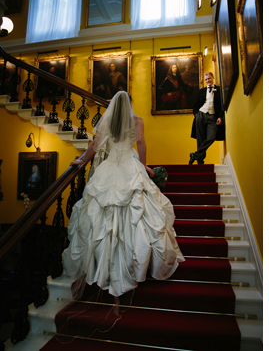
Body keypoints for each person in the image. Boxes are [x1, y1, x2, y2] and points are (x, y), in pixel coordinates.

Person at [64, 91, 184, 298]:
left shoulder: (108, 121)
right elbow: (141, 143)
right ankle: (137, 266)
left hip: (110, 167)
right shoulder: (137, 120)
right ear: (129, 104)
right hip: (129, 165)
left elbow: (95, 144)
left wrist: (82, 160)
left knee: (102, 213)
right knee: (139, 212)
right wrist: (144, 166)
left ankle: (101, 264)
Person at [190, 72, 225, 165]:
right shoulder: (201, 91)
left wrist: (220, 116)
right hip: (201, 115)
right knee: (200, 138)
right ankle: (200, 161)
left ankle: (195, 155)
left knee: (211, 138)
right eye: (206, 79)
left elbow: (222, 105)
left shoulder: (219, 90)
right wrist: (196, 114)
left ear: (213, 77)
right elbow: (195, 104)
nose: (208, 81)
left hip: (213, 116)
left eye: (209, 78)